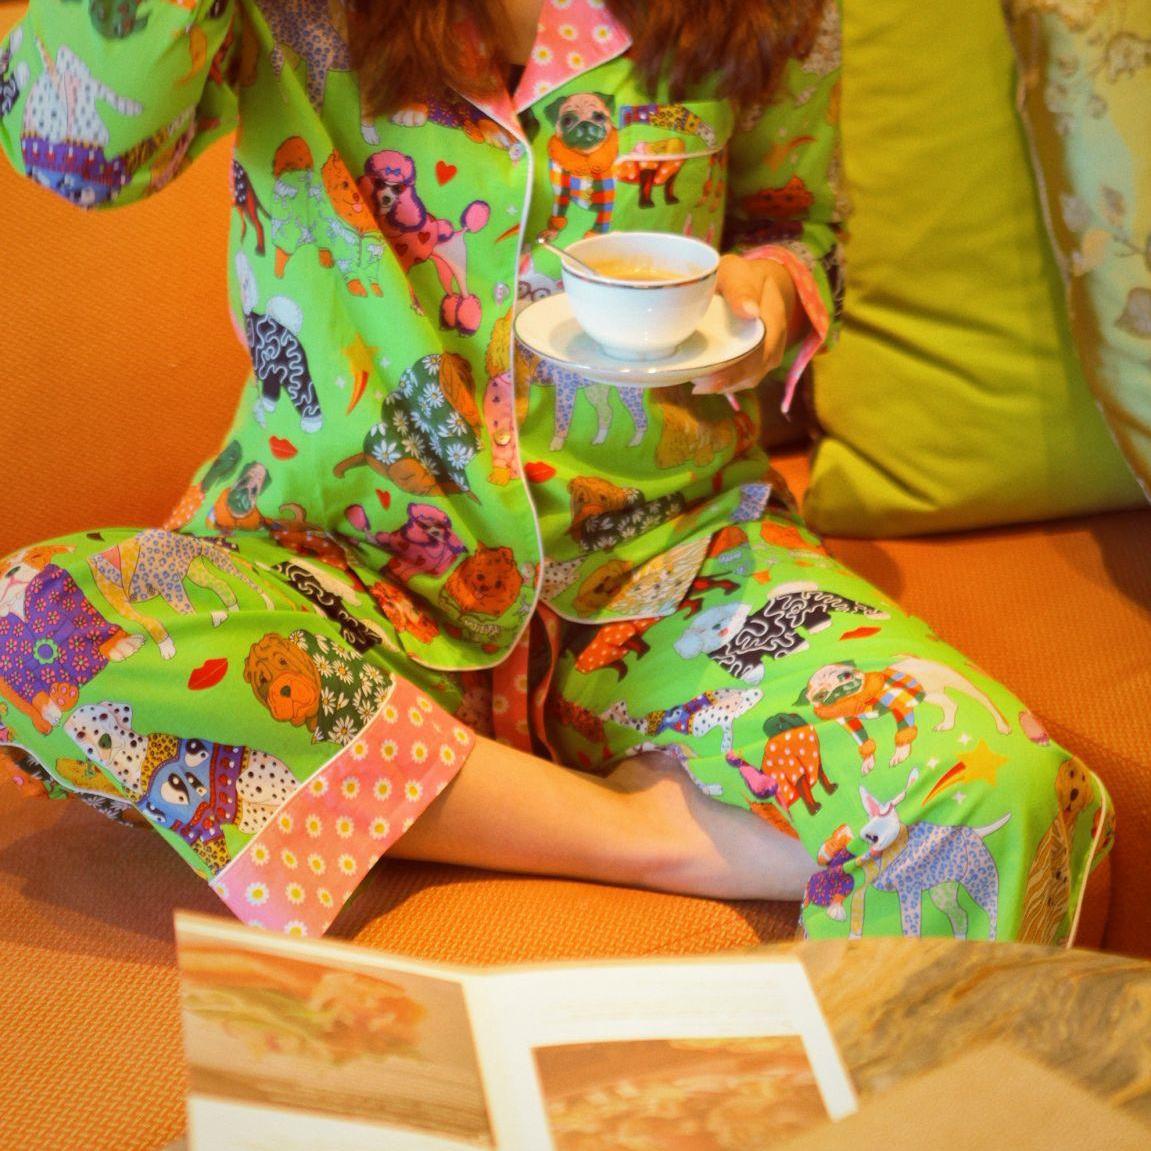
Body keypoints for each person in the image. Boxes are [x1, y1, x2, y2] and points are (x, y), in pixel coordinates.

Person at [0, 0, 1111, 943]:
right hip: (339, 570)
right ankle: (644, 835)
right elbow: (71, 142)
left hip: (666, 569)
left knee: (1001, 793)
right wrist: (644, 831)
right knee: (37, 625)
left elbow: (792, 223)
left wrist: (769, 298)